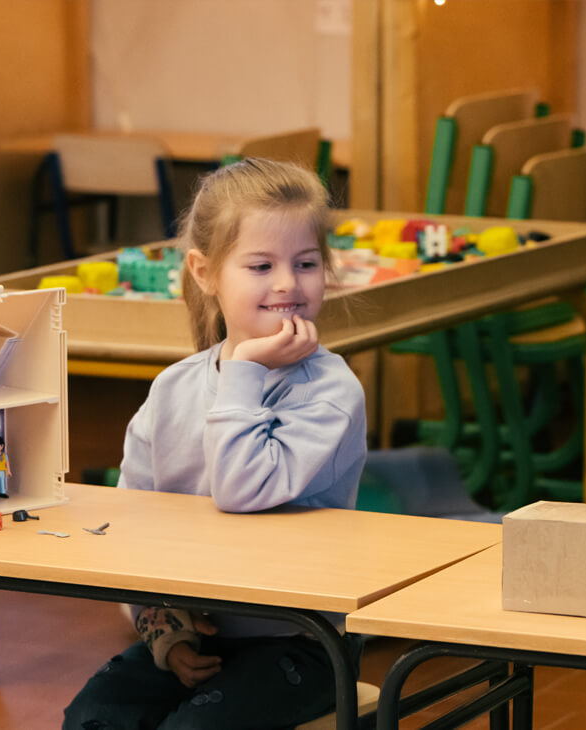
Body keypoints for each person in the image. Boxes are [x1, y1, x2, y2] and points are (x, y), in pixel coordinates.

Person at [63, 158, 367, 730]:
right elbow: (131, 529)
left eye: (305, 264)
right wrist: (164, 634)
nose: (287, 283)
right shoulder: (174, 387)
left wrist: (245, 370)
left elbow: (242, 491)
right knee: (93, 719)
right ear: (205, 272)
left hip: (301, 642)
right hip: (191, 634)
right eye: (260, 265)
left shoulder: (331, 390)